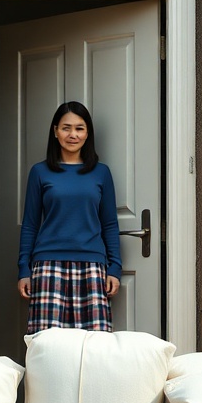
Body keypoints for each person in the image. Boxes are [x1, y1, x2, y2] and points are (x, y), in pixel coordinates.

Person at [18, 101, 122, 334]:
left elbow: (109, 224)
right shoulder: (40, 172)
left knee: (94, 345)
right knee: (47, 343)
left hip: (93, 266)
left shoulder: (101, 172)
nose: (72, 134)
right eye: (66, 128)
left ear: (88, 133)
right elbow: (30, 225)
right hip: (48, 266)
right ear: (55, 131)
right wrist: (24, 269)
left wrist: (114, 267)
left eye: (79, 128)